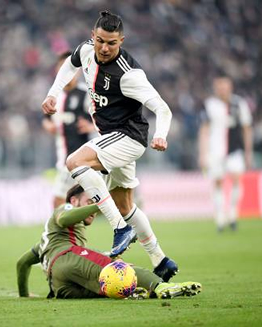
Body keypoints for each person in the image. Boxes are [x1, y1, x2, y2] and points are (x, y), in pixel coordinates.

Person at [41, 10, 178, 281]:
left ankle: (119, 227)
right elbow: (69, 65)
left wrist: (161, 135)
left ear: (122, 41)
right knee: (126, 204)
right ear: (93, 36)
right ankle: (160, 260)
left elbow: (163, 109)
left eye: (112, 43)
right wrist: (52, 94)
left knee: (74, 162)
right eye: (101, 40)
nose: (105, 48)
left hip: (130, 137)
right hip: (113, 137)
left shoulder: (130, 75)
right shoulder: (86, 51)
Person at [16, 184, 202, 299]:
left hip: (59, 286)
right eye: (89, 201)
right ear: (74, 200)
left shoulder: (46, 241)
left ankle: (139, 292)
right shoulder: (66, 207)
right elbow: (64, 218)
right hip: (67, 258)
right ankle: (161, 286)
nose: (94, 210)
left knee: (108, 287)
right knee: (119, 268)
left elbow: (22, 263)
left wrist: (24, 295)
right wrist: (101, 203)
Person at [198, 76, 253, 232]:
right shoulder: (209, 105)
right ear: (216, 88)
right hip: (215, 150)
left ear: (230, 87)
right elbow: (204, 130)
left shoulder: (239, 104)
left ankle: (233, 213)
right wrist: (202, 154)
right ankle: (220, 217)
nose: (222, 90)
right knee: (217, 182)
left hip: (235, 149)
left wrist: (248, 152)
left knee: (236, 178)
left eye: (225, 87)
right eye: (219, 87)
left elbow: (247, 128)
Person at [42, 51, 95, 208]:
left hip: (79, 158)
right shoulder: (54, 96)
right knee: (74, 203)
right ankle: (72, 231)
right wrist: (48, 126)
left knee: (59, 201)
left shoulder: (85, 95)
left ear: (77, 72)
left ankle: (63, 232)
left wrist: (91, 127)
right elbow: (45, 119)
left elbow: (103, 119)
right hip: (62, 158)